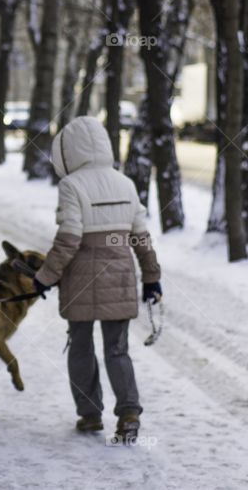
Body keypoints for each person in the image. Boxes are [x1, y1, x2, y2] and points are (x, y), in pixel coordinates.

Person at [32, 116, 162, 442]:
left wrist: (44, 277)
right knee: (117, 350)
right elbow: (141, 238)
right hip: (119, 277)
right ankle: (129, 413)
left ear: (68, 151)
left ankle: (90, 415)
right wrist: (151, 278)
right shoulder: (125, 184)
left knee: (80, 347)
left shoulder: (71, 186)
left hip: (80, 279)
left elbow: (70, 238)